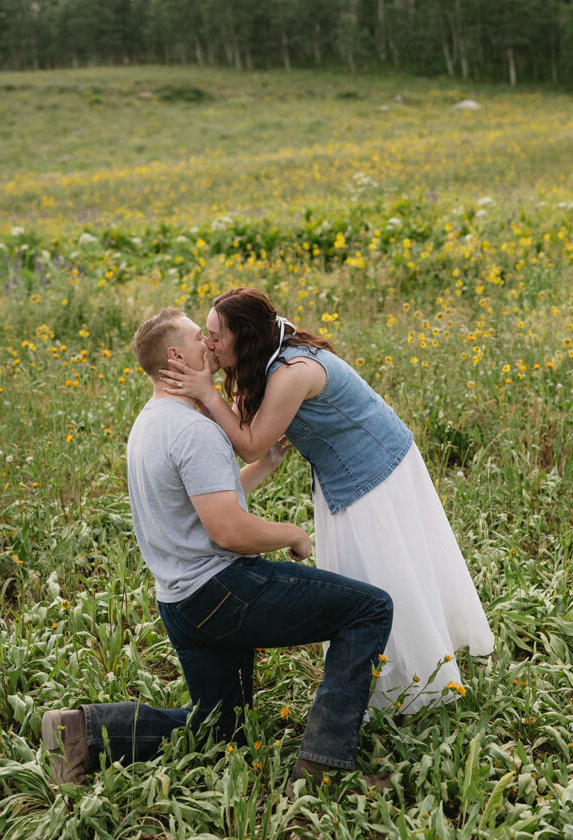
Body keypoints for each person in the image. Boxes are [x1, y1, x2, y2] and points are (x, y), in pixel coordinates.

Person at [43, 307, 393, 794]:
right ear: (175, 355)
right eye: (197, 336)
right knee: (370, 609)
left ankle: (78, 732)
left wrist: (265, 463)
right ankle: (324, 770)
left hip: (180, 603)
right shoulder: (194, 430)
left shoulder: (151, 423)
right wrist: (291, 533)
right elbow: (228, 530)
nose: (208, 344)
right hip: (223, 592)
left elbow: (206, 506)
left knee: (219, 726)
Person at [160, 288, 494, 713]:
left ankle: (415, 684)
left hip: (375, 471)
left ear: (245, 337)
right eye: (205, 335)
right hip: (342, 475)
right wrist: (205, 391)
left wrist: (207, 394)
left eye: (215, 336)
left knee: (386, 574)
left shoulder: (293, 371)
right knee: (362, 576)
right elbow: (240, 428)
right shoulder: (261, 361)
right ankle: (378, 676)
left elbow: (251, 444)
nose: (208, 344)